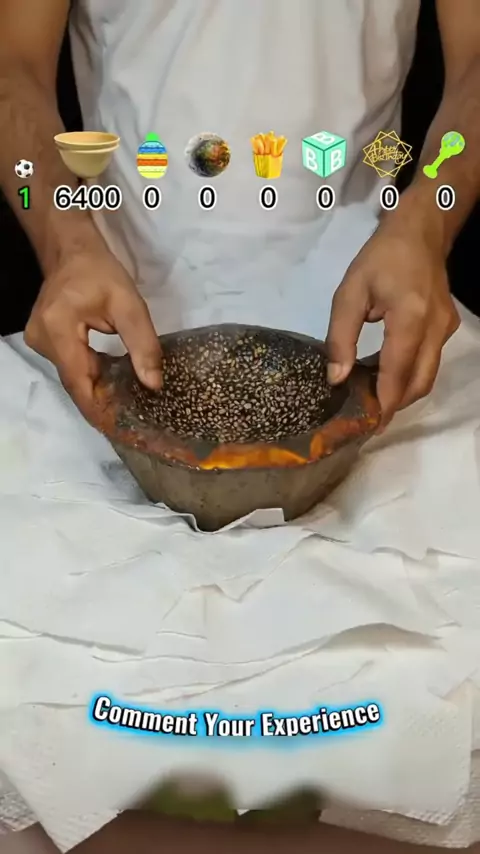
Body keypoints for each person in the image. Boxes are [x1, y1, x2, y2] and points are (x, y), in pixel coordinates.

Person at [0, 2, 480, 851]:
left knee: (442, 712)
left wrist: (430, 219)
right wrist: (62, 238)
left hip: (388, 340)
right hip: (101, 335)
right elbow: (13, 71)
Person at [1, 0, 479, 432]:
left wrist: (426, 226)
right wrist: (66, 249)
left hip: (386, 324)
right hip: (102, 325)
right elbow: (14, 66)